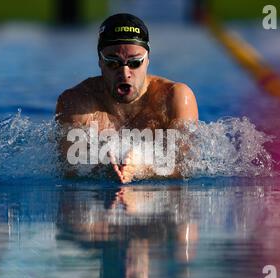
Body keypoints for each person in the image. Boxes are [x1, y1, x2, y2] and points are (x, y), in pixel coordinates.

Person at [55, 13, 198, 183]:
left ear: (148, 60)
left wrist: (142, 168)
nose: (124, 73)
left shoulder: (175, 98)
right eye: (113, 63)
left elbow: (186, 168)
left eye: (135, 62)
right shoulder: (77, 103)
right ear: (100, 61)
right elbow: (70, 172)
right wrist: (103, 168)